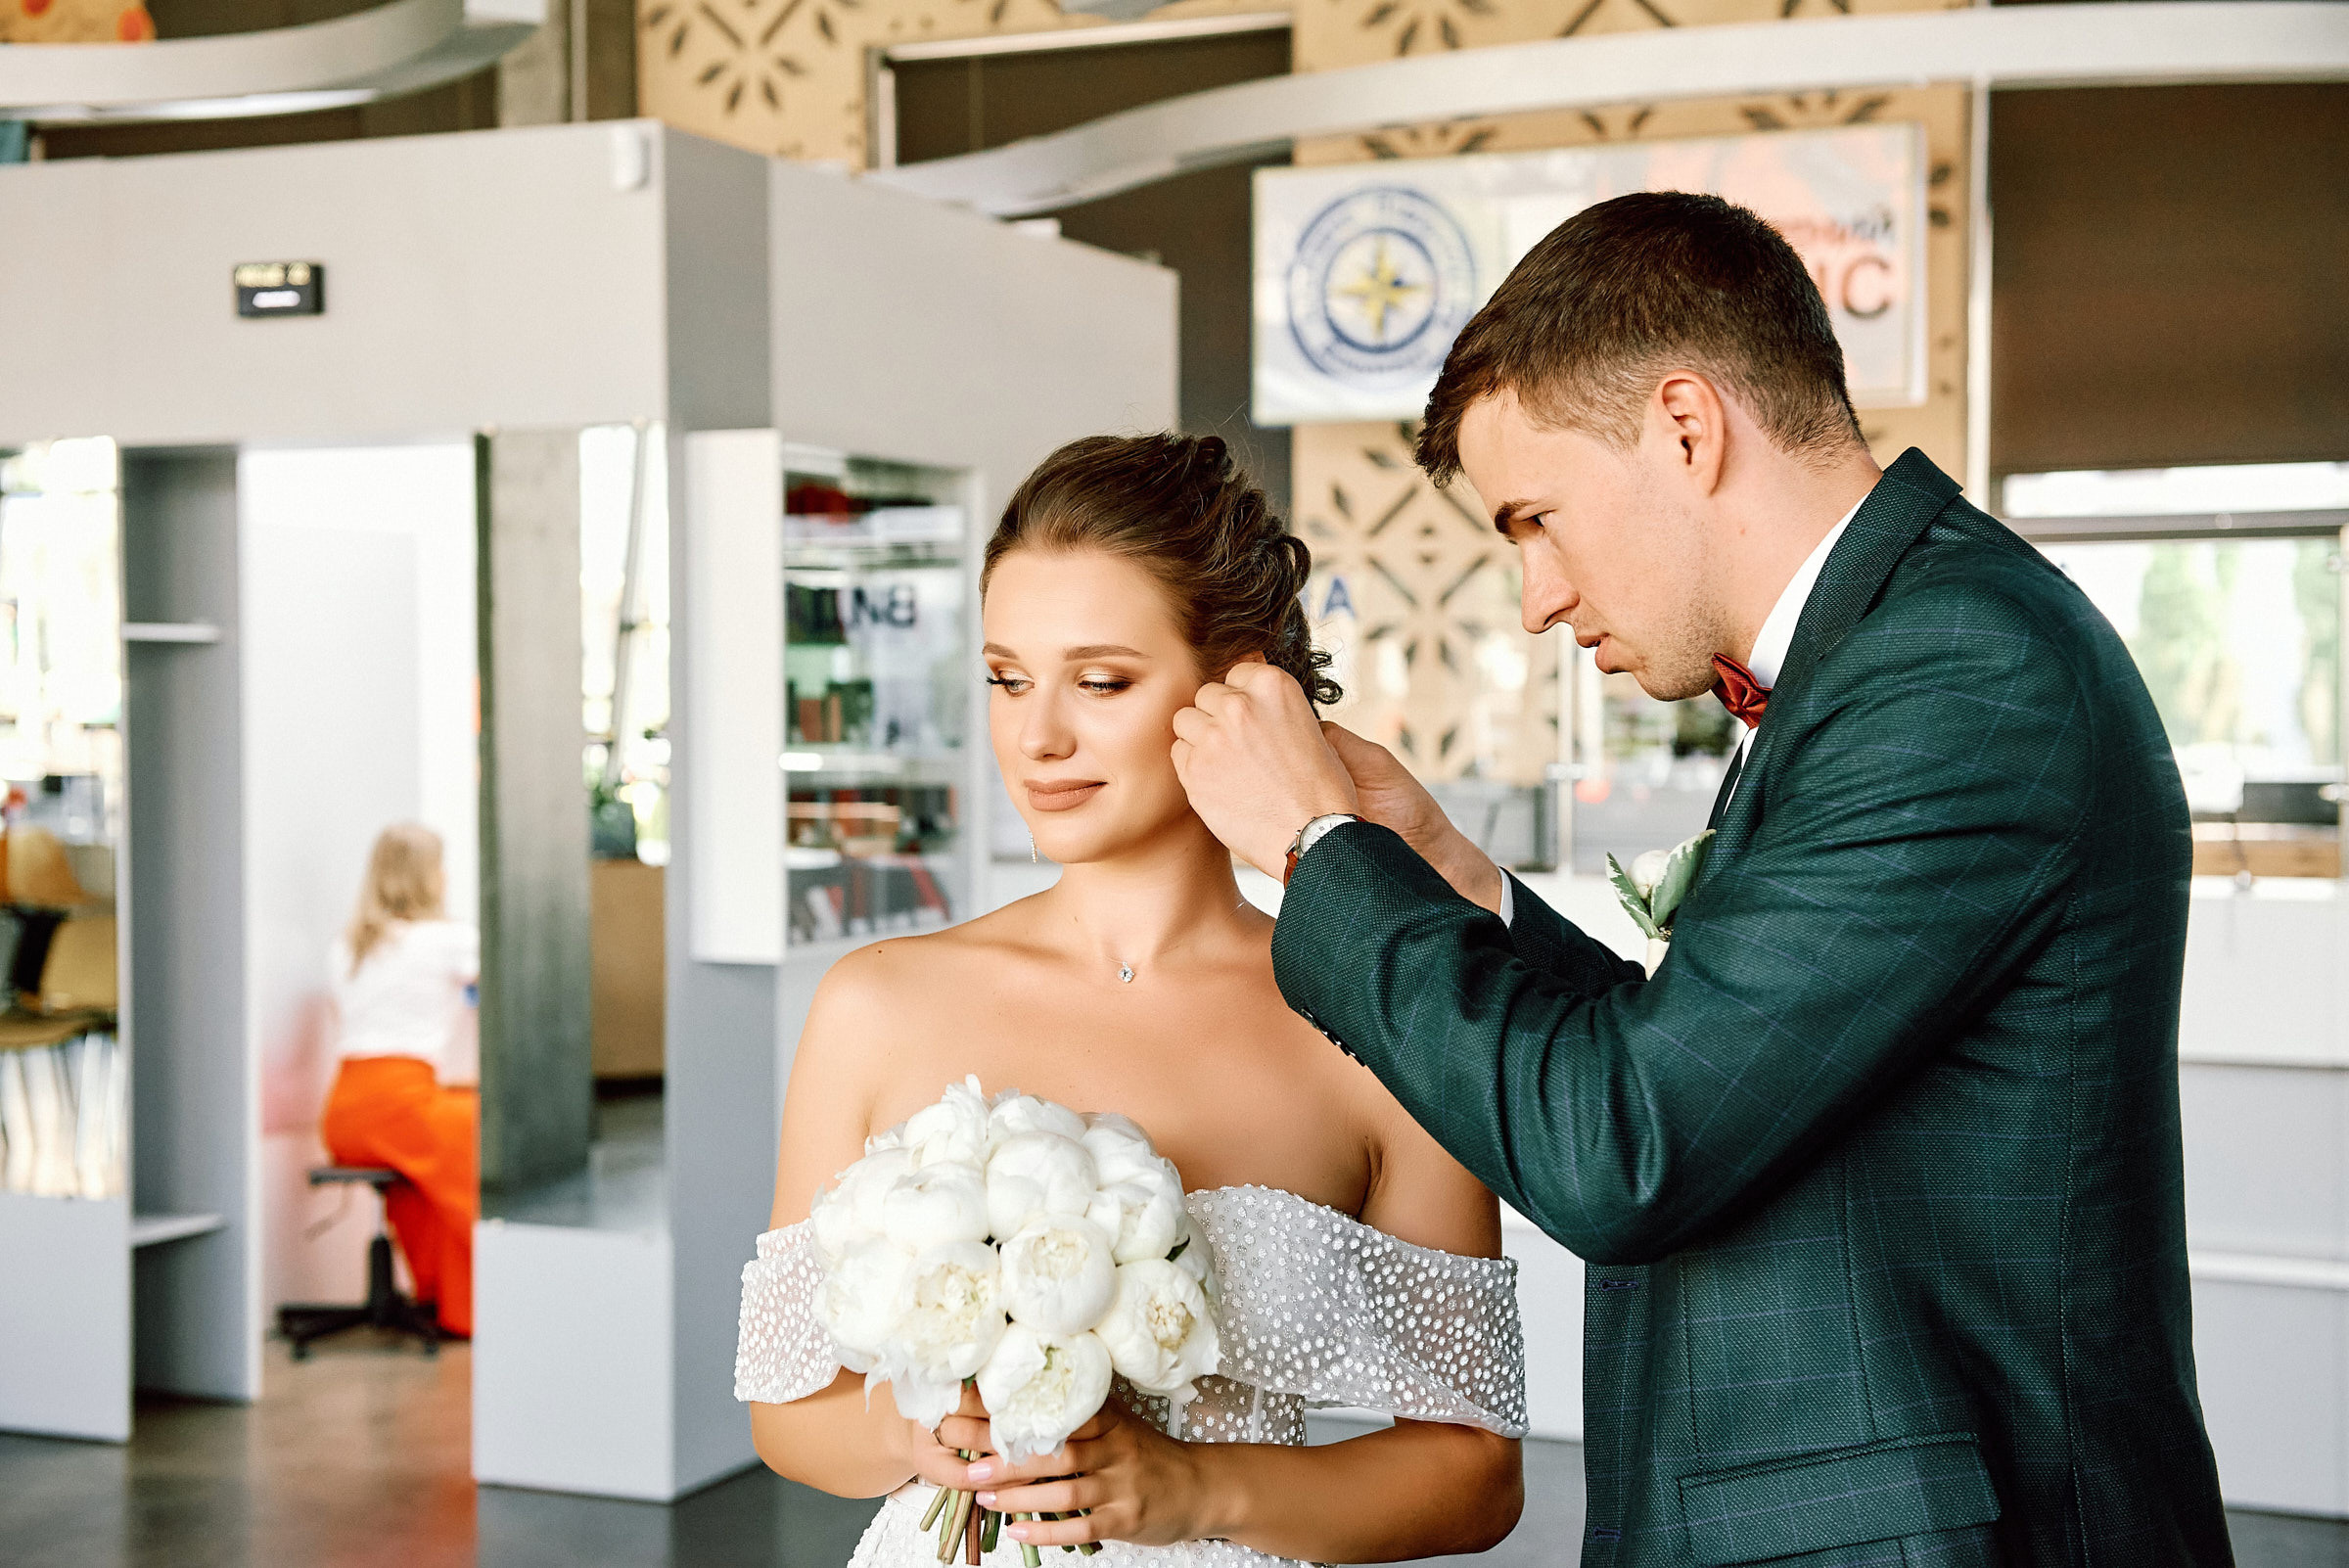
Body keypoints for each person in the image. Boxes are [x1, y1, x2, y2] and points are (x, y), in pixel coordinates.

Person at [1170, 192, 2234, 1566]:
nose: (1539, 597)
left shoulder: (1957, 669)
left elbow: (1629, 1144)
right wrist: (1444, 870)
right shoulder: (1884, 650)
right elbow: (1719, 1061)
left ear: (1687, 426)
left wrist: (1321, 856)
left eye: (1538, 518)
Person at [735, 434, 1528, 1566]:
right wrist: (930, 1434)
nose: (1038, 737)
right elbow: (786, 1413)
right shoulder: (875, 1005)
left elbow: (1475, 1473)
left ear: (1239, 689)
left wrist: (1195, 1488)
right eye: (1008, 679)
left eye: (1100, 681)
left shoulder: (1378, 1018)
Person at [321, 822, 481, 1339]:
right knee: (484, 1133)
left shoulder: (348, 947)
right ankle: (477, 1301)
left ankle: (445, 1298)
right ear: (429, 876)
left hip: (343, 1114)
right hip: (398, 1103)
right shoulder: (450, 941)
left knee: (430, 1176)